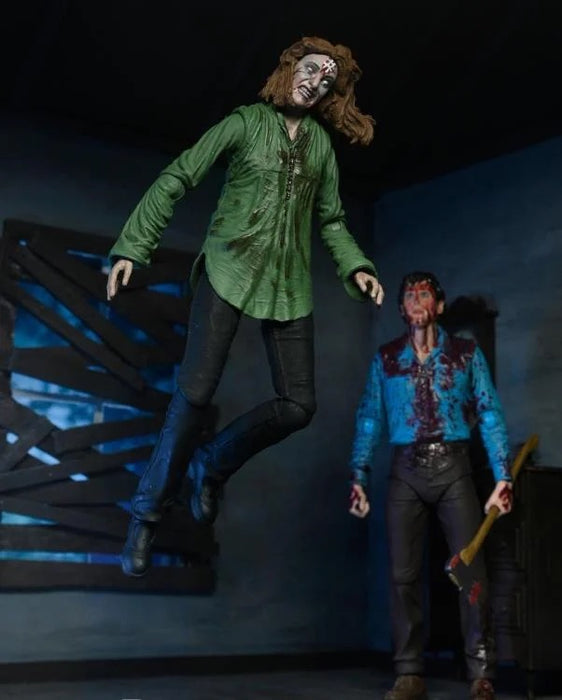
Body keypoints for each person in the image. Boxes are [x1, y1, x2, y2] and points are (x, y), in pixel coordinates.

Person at [106, 36, 385, 578]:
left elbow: (331, 221)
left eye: (327, 81)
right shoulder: (244, 123)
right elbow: (179, 175)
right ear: (290, 67)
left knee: (299, 405)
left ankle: (214, 462)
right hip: (227, 267)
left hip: (286, 281)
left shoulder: (321, 149)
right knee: (194, 395)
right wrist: (134, 247)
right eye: (311, 69)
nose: (315, 83)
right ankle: (145, 516)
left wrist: (357, 266)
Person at [348, 271, 513, 700]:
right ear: (401, 309)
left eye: (424, 294)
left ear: (438, 306)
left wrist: (502, 476)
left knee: (470, 571)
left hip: (454, 467)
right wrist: (358, 474)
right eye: (409, 295)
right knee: (402, 575)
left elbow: (489, 412)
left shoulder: (465, 354)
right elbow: (370, 417)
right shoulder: (387, 359)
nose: (416, 300)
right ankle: (408, 672)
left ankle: (481, 673)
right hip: (405, 469)